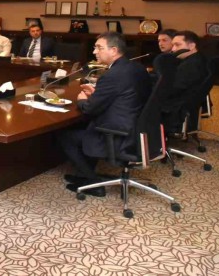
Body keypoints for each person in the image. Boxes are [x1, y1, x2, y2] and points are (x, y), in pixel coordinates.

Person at [57, 32, 151, 197]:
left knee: (65, 136)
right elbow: (125, 95)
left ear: (113, 50)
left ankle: (92, 182)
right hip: (137, 128)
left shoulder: (112, 75)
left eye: (99, 48)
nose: (94, 52)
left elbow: (89, 109)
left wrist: (82, 100)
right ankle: (85, 175)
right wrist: (97, 94)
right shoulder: (136, 68)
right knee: (86, 127)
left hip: (118, 134)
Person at [161, 30, 209, 132]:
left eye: (177, 45)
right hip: (189, 101)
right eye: (173, 45)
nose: (173, 49)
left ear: (192, 46)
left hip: (179, 104)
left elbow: (173, 90)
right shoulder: (197, 59)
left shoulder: (191, 65)